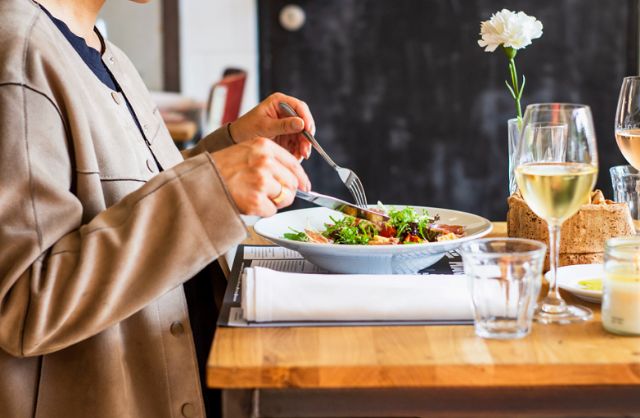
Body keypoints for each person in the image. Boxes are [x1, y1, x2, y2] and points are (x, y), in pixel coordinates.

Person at [0, 0, 315, 417]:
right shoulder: (20, 55)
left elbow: (133, 199)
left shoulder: (106, 54)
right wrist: (212, 187)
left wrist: (229, 146)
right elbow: (24, 304)